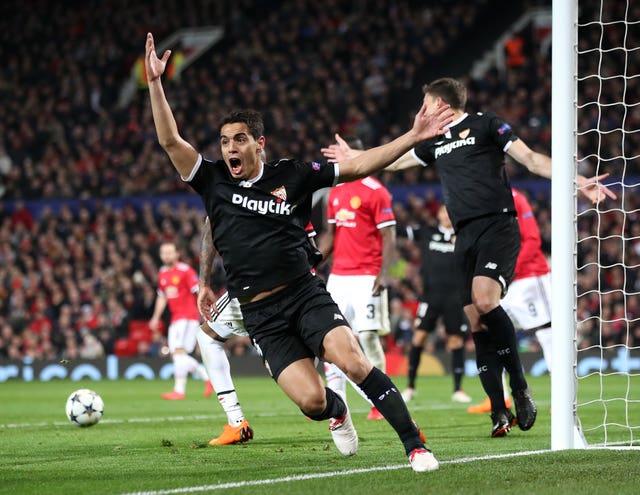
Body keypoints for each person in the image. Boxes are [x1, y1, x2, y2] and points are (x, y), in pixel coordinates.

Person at [145, 32, 454, 472]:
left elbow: (360, 165)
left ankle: (414, 445)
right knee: (311, 402)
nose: (230, 148)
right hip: (259, 314)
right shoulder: (212, 180)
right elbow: (170, 141)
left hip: (303, 293)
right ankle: (337, 413)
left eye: (239, 140)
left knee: (353, 360)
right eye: (225, 142)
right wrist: (156, 84)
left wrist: (413, 135)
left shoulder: (293, 174)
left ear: (259, 143)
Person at [321, 77, 616, 438]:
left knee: (484, 299)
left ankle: (520, 388)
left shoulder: (487, 124)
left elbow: (531, 159)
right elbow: (394, 163)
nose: (422, 112)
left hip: (498, 226)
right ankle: (498, 410)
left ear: (441, 104)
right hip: (466, 236)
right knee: (477, 324)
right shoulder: (435, 142)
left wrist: (577, 179)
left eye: (426, 104)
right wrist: (354, 159)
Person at [318, 136, 395, 421]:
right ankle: (337, 406)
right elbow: (330, 235)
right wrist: (312, 263)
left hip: (367, 275)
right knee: (330, 338)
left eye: (341, 153)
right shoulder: (335, 192)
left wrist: (385, 273)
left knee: (367, 337)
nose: (336, 159)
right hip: (339, 276)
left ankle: (381, 400)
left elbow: (389, 236)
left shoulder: (376, 191)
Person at [468, 188, 552, 414]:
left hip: (529, 277)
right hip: (498, 279)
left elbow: (532, 240)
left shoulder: (515, 198)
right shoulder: (477, 198)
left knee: (548, 332)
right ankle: (501, 397)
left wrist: (508, 268)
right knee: (492, 333)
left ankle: (562, 396)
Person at [401, 204, 472, 405]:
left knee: (456, 340)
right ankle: (410, 387)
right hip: (431, 296)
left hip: (455, 297)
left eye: (449, 212)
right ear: (438, 214)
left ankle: (458, 389)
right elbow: (399, 231)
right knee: (419, 337)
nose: (445, 215)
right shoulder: (427, 232)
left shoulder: (464, 236)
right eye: (442, 211)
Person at [196, 216, 254, 445]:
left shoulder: (226, 191)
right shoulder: (287, 188)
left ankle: (237, 422)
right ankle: (320, 400)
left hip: (249, 287)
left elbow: (211, 225)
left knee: (206, 336)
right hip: (293, 285)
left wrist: (204, 284)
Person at [149, 241, 212, 400]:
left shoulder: (185, 271)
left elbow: (198, 290)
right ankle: (181, 390)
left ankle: (203, 379)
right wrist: (156, 317)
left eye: (170, 252)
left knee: (177, 353)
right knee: (178, 355)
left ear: (177, 254)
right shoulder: (163, 273)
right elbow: (162, 297)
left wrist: (205, 309)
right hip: (176, 318)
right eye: (164, 252)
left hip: (187, 317)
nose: (167, 255)